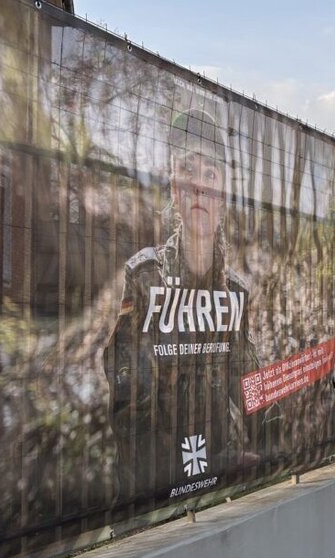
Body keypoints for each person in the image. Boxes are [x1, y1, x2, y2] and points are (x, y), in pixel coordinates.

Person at [105, 106, 257, 509]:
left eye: (211, 175)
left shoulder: (235, 295)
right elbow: (129, 407)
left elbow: (250, 389)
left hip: (221, 486)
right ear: (174, 187)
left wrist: (270, 457)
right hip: (156, 495)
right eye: (188, 171)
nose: (199, 186)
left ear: (222, 196)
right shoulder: (145, 278)